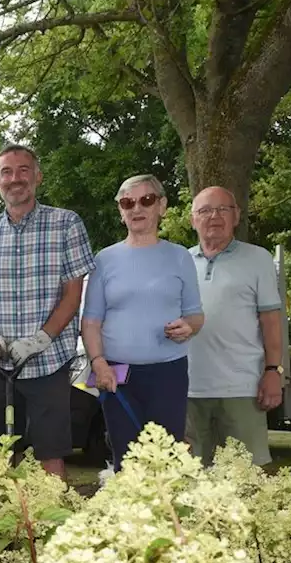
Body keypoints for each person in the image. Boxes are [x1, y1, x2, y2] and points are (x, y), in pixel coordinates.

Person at [0, 144, 95, 479]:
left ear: (37, 177)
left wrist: (39, 339)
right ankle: (7, 524)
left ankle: (54, 525)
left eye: (23, 170)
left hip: (48, 363)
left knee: (51, 454)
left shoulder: (66, 224)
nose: (15, 179)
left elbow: (72, 294)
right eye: (6, 172)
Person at [81, 174, 203, 470]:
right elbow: (91, 320)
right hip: (118, 376)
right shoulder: (104, 259)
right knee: (127, 459)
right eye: (127, 203)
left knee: (167, 458)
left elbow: (196, 315)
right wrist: (98, 363)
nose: (137, 208)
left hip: (168, 374)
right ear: (121, 212)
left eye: (146, 200)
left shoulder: (180, 257)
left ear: (161, 206)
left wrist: (189, 327)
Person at [184, 186, 284, 466]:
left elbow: (271, 321)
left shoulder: (258, 259)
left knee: (245, 478)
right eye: (204, 211)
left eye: (222, 209)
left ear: (236, 216)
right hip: (187, 389)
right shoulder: (180, 261)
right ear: (193, 219)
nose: (213, 216)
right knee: (188, 481)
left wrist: (273, 371)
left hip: (241, 388)